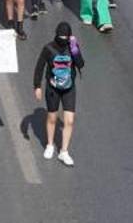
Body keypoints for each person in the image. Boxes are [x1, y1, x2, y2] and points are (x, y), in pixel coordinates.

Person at [33, 21, 84, 166]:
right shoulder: (48, 48)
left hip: (69, 88)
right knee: (52, 118)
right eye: (61, 36)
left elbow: (81, 64)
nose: (63, 40)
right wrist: (37, 86)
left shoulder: (72, 46)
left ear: (69, 37)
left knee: (69, 121)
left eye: (65, 37)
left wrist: (75, 50)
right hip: (52, 88)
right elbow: (39, 67)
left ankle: (64, 151)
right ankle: (50, 145)